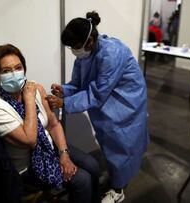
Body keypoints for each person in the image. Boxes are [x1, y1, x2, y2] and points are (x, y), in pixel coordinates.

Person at [46, 11, 149, 203]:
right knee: (109, 143)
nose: (73, 51)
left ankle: (118, 190)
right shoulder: (83, 56)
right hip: (108, 101)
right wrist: (64, 90)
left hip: (126, 102)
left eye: (75, 46)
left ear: (90, 41)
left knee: (121, 144)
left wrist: (65, 103)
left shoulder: (111, 53)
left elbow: (97, 93)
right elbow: (78, 84)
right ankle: (116, 177)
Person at [0, 44, 100, 203]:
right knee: (82, 180)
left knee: (93, 164)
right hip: (27, 167)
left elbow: (54, 125)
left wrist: (64, 154)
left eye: (18, 68)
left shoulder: (36, 88)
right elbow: (30, 140)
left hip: (50, 147)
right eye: (6, 71)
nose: (14, 74)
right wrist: (29, 100)